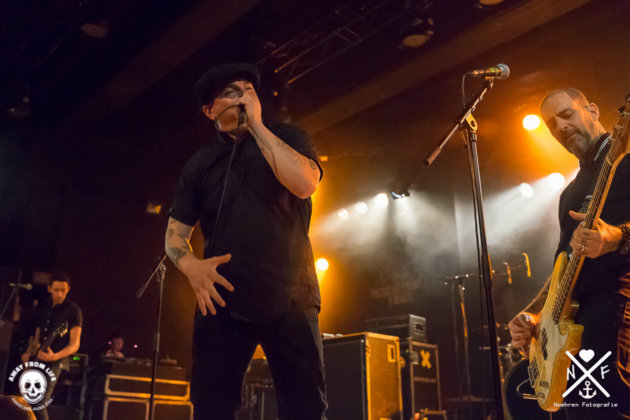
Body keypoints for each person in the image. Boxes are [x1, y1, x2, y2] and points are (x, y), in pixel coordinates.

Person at [165, 63, 326, 419]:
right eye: (230, 92)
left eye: (249, 90)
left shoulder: (288, 138)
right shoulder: (199, 164)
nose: (243, 98)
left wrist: (258, 127)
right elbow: (175, 233)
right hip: (221, 298)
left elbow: (305, 184)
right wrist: (190, 267)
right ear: (209, 110)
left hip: (291, 295)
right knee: (212, 408)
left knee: (305, 409)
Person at [508, 88, 630, 419]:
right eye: (551, 124)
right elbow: (563, 268)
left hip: (618, 307)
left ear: (592, 110)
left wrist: (614, 237)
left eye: (566, 114)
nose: (560, 126)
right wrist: (535, 315)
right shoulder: (570, 194)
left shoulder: (625, 161)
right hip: (574, 325)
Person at [20, 272, 83, 420]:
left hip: (56, 361)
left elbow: (75, 345)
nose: (60, 294)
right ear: (49, 289)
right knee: (26, 401)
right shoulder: (44, 308)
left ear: (68, 289)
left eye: (63, 290)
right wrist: (29, 351)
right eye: (56, 290)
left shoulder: (73, 311)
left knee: (39, 401)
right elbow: (37, 334)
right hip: (38, 358)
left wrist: (54, 356)